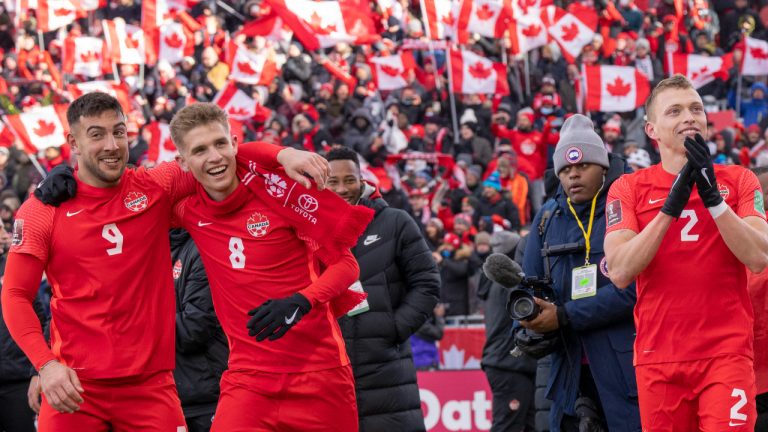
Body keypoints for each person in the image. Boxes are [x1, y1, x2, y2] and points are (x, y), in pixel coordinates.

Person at [1, 92, 329, 431]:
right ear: (74, 142)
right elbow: (14, 295)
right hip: (75, 387)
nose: (112, 144)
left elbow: (218, 156)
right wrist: (45, 365)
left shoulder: (154, 187)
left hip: (152, 387)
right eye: (96, 134)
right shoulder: (43, 210)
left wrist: (283, 153)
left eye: (119, 131)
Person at [169, 103, 372, 431]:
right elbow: (127, 197)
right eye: (200, 150)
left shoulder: (280, 193)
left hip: (319, 377)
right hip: (247, 382)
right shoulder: (186, 210)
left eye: (221, 144)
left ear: (235, 144)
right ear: (182, 162)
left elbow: (347, 266)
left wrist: (302, 301)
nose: (215, 157)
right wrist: (67, 187)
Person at [605, 74, 768, 431]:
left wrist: (714, 202)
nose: (689, 117)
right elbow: (619, 271)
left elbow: (759, 257)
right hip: (658, 360)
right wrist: (670, 208)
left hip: (726, 354)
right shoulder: (627, 188)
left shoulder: (740, 180)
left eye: (696, 109)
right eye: (674, 111)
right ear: (652, 129)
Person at [521, 114, 641, 432]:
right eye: (565, 169)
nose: (573, 175)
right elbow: (530, 283)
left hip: (626, 370)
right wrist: (530, 323)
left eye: (582, 166)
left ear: (602, 166)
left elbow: (634, 288)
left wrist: (565, 315)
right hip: (568, 374)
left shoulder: (630, 204)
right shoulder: (547, 217)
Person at [325, 146, 440, 432]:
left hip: (387, 370)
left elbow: (427, 282)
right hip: (330, 371)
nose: (342, 189)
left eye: (349, 180)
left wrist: (394, 328)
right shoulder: (309, 228)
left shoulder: (395, 222)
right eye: (333, 181)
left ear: (362, 180)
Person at [479, 230, 537, 432]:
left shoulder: (491, 282)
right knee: (508, 426)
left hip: (507, 362)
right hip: (509, 363)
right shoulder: (509, 283)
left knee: (530, 424)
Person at [170, 228, 228, 432]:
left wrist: (138, 324)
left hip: (206, 398)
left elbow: (194, 328)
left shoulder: (201, 249)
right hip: (167, 398)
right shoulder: (143, 254)